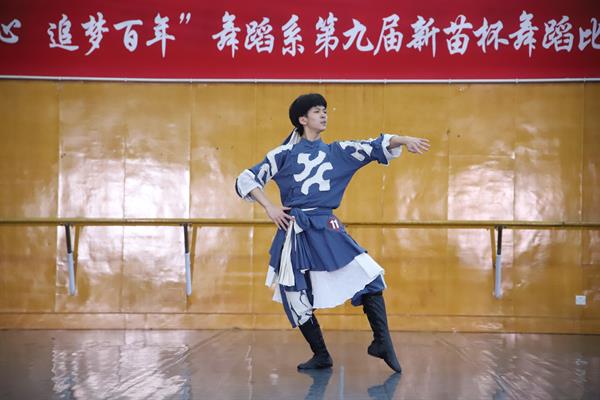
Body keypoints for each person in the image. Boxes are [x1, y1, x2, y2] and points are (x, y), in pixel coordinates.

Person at [235, 93, 430, 373]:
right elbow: (247, 178)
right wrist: (270, 207)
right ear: (303, 119)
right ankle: (321, 355)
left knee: (370, 276)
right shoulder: (282, 154)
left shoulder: (338, 152)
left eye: (325, 110)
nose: (324, 114)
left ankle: (382, 342)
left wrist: (404, 139)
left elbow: (374, 145)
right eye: (317, 111)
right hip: (295, 231)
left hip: (327, 227)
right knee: (295, 295)